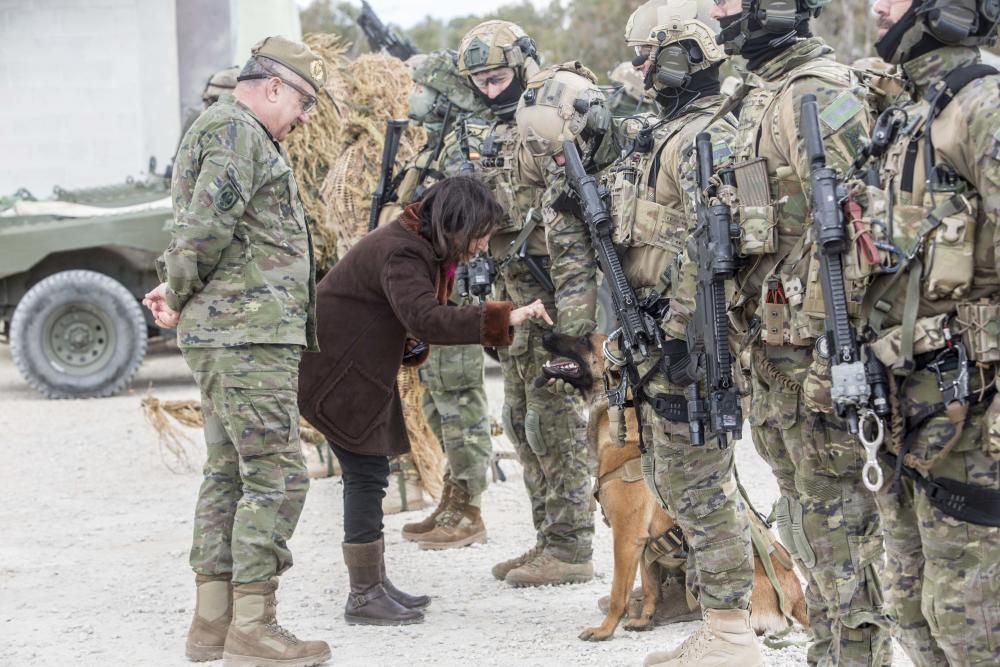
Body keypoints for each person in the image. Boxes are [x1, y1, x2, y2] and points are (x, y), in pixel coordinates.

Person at [704, 2, 893, 665]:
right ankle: (832, 646)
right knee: (808, 519)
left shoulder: (818, 91)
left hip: (814, 355)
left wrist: (831, 356)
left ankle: (855, 654)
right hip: (771, 353)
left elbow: (857, 234)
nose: (718, 10)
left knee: (840, 522)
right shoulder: (756, 95)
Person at [143, 36, 331, 667]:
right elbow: (204, 227)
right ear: (272, 86)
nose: (303, 117)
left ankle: (214, 624)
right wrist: (176, 287)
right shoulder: (236, 130)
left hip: (238, 332)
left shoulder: (230, 129)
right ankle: (254, 627)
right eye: (303, 101)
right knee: (278, 475)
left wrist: (178, 286)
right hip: (246, 335)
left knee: (230, 472)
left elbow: (205, 227)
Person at [297, 176, 553, 626]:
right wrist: (504, 315)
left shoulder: (416, 241)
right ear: (456, 225)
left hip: (349, 368)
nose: (481, 246)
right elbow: (426, 318)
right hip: (337, 373)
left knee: (368, 473)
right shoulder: (403, 250)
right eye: (478, 235)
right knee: (365, 475)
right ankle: (364, 595)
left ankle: (373, 585)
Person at [592, 2, 760, 663]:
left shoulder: (701, 137)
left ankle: (732, 631)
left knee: (703, 485)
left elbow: (709, 242)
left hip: (686, 341)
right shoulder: (666, 133)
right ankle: (716, 618)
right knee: (674, 479)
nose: (642, 72)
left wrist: (685, 332)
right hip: (654, 337)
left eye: (651, 60)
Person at [862, 2, 1000, 664]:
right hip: (909, 408)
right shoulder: (907, 115)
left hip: (977, 413)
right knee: (913, 606)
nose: (877, 8)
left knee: (968, 615)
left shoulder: (982, 103)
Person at [456, 20, 600, 588]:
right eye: (480, 82)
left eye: (497, 78)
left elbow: (570, 215)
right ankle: (547, 538)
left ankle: (571, 545)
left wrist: (577, 319)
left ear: (521, 63)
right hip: (512, 287)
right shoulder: (496, 124)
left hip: (555, 288)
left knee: (555, 419)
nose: (490, 90)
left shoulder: (554, 104)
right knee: (519, 418)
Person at [379, 50, 498, 552]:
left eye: (420, 85)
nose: (412, 95)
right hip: (435, 289)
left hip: (460, 289)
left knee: (460, 403)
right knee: (436, 398)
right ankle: (452, 497)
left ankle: (468, 506)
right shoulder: (439, 142)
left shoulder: (468, 142)